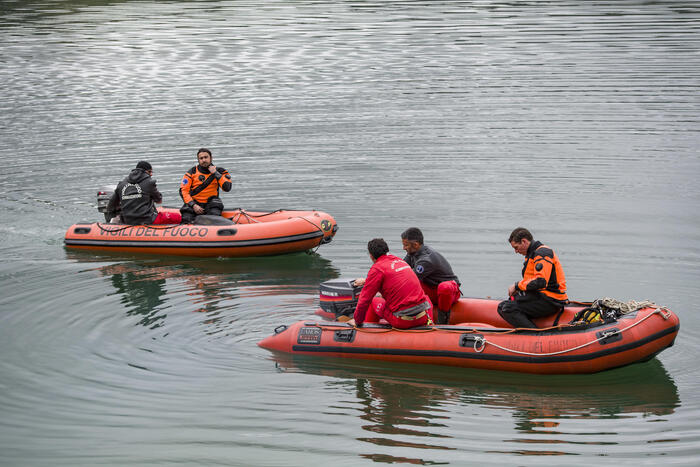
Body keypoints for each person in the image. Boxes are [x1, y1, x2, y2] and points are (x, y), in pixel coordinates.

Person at [347, 238, 433, 329]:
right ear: (387, 250)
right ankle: (431, 325)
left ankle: (368, 330)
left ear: (371, 256)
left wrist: (357, 320)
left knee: (374, 301)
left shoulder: (377, 269)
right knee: (424, 297)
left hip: (403, 321)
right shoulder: (400, 261)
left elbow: (364, 299)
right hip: (423, 317)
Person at [497, 227, 568, 328]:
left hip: (551, 300)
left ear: (524, 241)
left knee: (508, 308)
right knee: (502, 306)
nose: (516, 251)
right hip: (541, 297)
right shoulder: (531, 254)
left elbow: (541, 282)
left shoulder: (542, 253)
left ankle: (534, 334)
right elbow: (531, 281)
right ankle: (526, 329)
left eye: (516, 247)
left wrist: (517, 286)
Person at [401, 227, 461, 325]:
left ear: (415, 245)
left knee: (444, 287)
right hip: (432, 288)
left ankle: (443, 321)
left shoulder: (426, 259)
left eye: (405, 245)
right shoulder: (412, 253)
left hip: (449, 292)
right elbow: (401, 270)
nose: (403, 248)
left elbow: (410, 280)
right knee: (411, 282)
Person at [105, 161, 177, 225]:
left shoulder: (121, 184)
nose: (151, 174)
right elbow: (159, 200)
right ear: (145, 172)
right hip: (147, 220)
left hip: (128, 221)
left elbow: (110, 206)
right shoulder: (149, 182)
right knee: (177, 217)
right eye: (150, 172)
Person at [179, 148, 232, 224]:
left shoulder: (221, 171)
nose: (204, 160)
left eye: (206, 157)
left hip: (211, 203)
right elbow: (184, 191)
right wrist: (193, 205)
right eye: (201, 158)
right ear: (198, 160)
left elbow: (227, 188)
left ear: (211, 158)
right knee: (186, 218)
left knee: (215, 214)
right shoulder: (191, 173)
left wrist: (216, 173)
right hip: (195, 203)